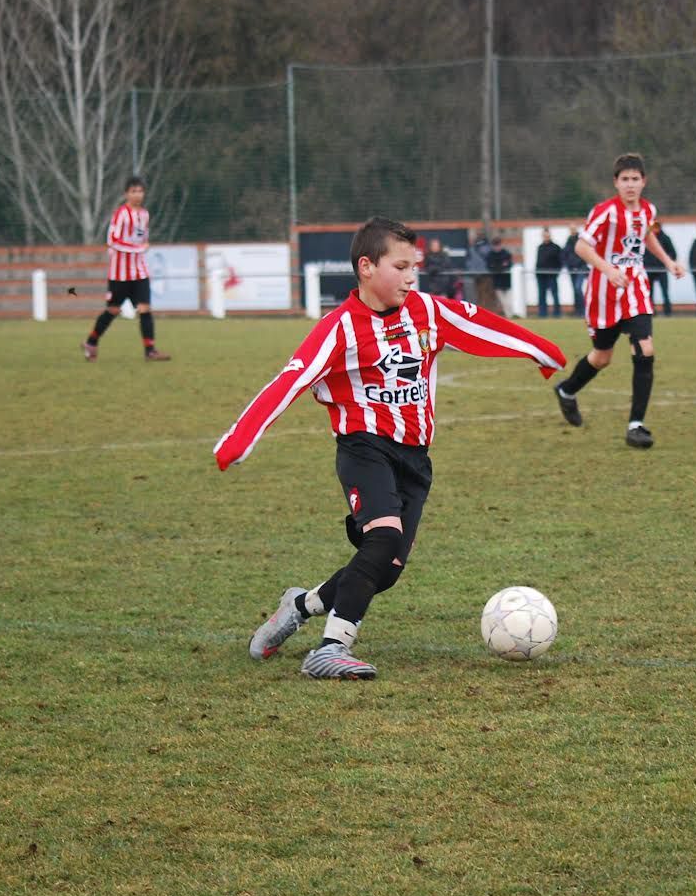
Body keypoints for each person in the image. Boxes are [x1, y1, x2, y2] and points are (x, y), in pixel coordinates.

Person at [215, 216, 566, 680]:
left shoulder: (427, 312)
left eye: (413, 266)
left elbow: (483, 328)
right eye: (400, 266)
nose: (410, 275)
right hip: (364, 449)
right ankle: (331, 647)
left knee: (388, 568)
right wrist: (240, 439)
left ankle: (302, 604)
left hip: (415, 461)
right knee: (381, 541)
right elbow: (291, 380)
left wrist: (542, 351)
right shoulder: (339, 329)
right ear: (366, 267)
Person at [552, 152, 684, 449]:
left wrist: (668, 261)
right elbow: (581, 246)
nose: (630, 185)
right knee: (602, 357)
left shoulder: (648, 210)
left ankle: (636, 425)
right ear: (616, 183)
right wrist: (608, 269)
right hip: (604, 292)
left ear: (644, 181)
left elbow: (648, 236)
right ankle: (567, 391)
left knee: (645, 349)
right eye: (624, 180)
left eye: (635, 179)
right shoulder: (605, 211)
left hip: (635, 288)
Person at [82, 176, 170, 362]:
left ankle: (150, 351)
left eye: (140, 191)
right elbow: (113, 240)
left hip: (139, 271)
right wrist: (137, 248)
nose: (138, 195)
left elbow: (143, 237)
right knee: (113, 310)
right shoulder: (121, 214)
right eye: (133, 191)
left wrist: (143, 245)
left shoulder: (145, 214)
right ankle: (91, 342)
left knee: (145, 308)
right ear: (126, 194)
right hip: (119, 274)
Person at [643, 221, 676, 316]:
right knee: (650, 293)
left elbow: (672, 253)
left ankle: (668, 312)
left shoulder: (665, 239)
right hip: (649, 269)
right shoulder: (645, 239)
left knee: (665, 292)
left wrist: (667, 263)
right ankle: (651, 311)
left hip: (661, 270)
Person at [534, 227, 563, 317]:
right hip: (541, 275)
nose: (545, 237)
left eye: (547, 235)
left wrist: (557, 272)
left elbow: (560, 261)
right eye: (544, 236)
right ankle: (542, 313)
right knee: (541, 295)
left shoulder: (556, 247)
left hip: (552, 275)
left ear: (550, 236)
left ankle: (557, 313)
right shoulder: (540, 247)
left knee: (554, 294)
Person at [562, 224, 587, 316]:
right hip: (571, 269)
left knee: (578, 288)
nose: (572, 230)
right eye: (571, 229)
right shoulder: (569, 240)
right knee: (575, 290)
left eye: (573, 229)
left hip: (580, 268)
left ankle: (583, 310)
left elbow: (582, 252)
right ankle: (578, 310)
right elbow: (565, 254)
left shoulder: (580, 239)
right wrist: (567, 265)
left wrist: (577, 264)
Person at [486, 236, 513, 316]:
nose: (497, 247)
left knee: (508, 301)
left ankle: (510, 315)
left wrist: (498, 266)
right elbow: (491, 267)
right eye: (495, 245)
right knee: (502, 302)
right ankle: (508, 316)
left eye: (498, 245)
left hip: (507, 281)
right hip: (497, 282)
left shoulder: (506, 253)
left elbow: (508, 265)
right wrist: (501, 266)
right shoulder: (490, 255)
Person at [467, 232, 492, 307]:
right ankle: (482, 308)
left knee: (482, 294)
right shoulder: (475, 248)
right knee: (480, 294)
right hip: (479, 274)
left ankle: (483, 309)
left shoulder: (477, 248)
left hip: (482, 274)